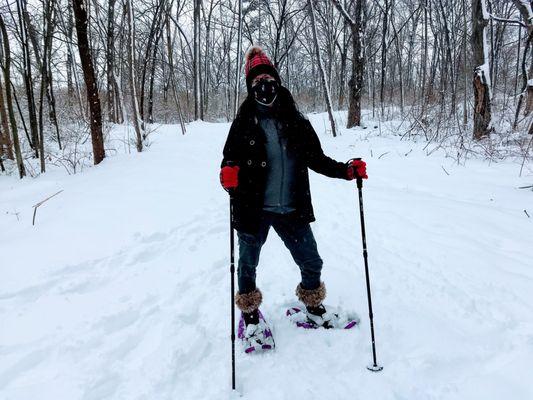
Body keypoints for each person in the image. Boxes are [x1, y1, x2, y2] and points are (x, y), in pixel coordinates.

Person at [220, 46, 367, 348]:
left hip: (291, 208)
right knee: (247, 266)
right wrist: (228, 175)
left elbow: (317, 159)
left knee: (311, 261)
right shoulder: (243, 123)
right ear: (250, 86)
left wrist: (347, 171)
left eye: (268, 78)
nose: (264, 85)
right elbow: (228, 163)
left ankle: (312, 306)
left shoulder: (296, 122)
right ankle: (249, 317)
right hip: (253, 210)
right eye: (257, 80)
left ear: (277, 80)